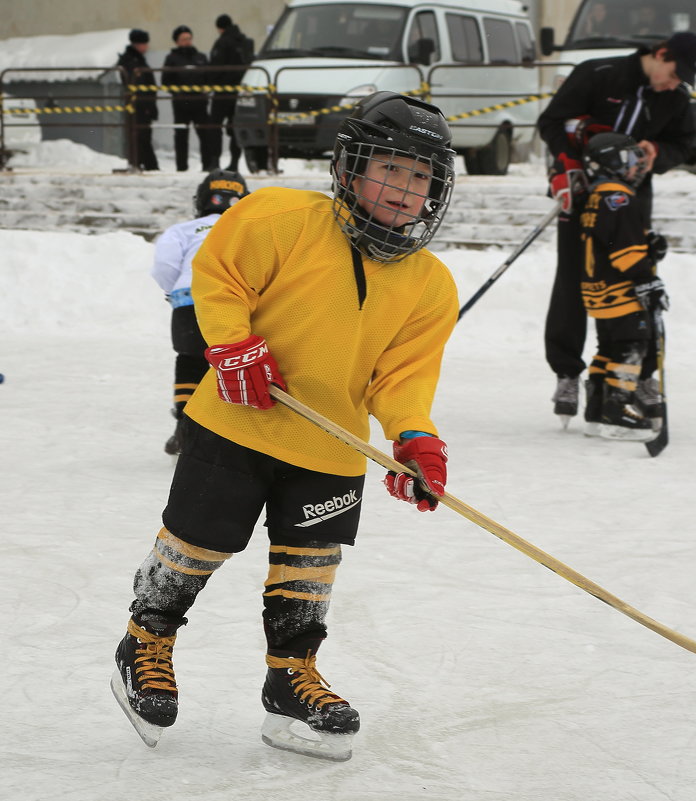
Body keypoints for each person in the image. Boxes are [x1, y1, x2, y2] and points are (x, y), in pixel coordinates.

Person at [110, 91, 458, 762]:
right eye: (390, 168)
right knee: (197, 543)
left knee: (310, 566)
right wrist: (232, 342)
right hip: (236, 423)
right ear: (351, 167)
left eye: (420, 177)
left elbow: (401, 377)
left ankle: (288, 675)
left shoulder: (429, 283)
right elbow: (219, 276)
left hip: (330, 445)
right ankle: (146, 636)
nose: (403, 188)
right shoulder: (279, 216)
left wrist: (414, 436)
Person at [537, 31, 696, 425]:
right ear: (660, 54)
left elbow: (684, 144)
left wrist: (657, 153)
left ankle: (632, 377)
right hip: (579, 195)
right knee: (573, 282)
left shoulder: (676, 97)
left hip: (629, 205)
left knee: (634, 283)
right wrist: (567, 163)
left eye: (682, 77)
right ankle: (567, 373)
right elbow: (552, 122)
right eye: (673, 71)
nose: (674, 82)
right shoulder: (599, 73)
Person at [150, 169, 249, 455]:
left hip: (189, 298)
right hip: (235, 300)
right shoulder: (247, 227)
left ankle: (185, 426)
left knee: (190, 361)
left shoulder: (183, 230)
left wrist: (176, 292)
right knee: (234, 364)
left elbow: (164, 266)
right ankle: (235, 434)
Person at [577, 132, 669, 441]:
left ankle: (596, 410)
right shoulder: (621, 197)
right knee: (631, 347)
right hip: (622, 291)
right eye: (629, 159)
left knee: (609, 348)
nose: (635, 166)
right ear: (613, 162)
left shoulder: (598, 194)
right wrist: (647, 279)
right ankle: (616, 412)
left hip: (599, 289)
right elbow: (624, 250)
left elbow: (612, 238)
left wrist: (649, 244)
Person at [162, 25, 215, 172]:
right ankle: (181, 167)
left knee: (205, 134)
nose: (187, 41)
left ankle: (207, 165)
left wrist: (206, 90)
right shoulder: (171, 59)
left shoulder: (200, 57)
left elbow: (209, 77)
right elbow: (166, 81)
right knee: (181, 136)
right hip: (181, 105)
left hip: (200, 103)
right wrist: (177, 94)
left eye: (189, 38)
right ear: (177, 41)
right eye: (183, 39)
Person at [208, 14, 251, 171]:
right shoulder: (244, 41)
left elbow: (215, 67)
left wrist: (211, 82)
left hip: (222, 92)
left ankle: (214, 161)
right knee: (235, 128)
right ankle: (234, 162)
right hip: (239, 91)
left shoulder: (222, 42)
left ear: (220, 28)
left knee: (215, 127)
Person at [116, 29, 159, 172]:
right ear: (137, 44)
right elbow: (137, 85)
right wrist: (147, 104)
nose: (146, 47)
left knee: (142, 136)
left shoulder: (138, 60)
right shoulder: (131, 61)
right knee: (141, 136)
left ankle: (144, 164)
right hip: (139, 105)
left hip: (144, 104)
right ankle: (148, 166)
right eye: (144, 44)